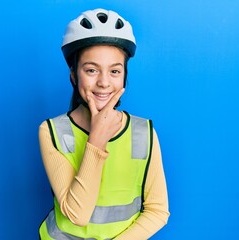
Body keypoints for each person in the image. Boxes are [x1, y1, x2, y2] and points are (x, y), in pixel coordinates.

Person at [38, 8, 169, 239]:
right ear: (73, 74)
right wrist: (97, 138)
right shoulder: (52, 131)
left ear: (124, 76)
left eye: (115, 71)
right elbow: (77, 215)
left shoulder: (144, 133)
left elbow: (158, 211)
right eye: (91, 70)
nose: (104, 82)